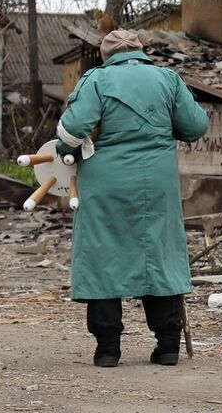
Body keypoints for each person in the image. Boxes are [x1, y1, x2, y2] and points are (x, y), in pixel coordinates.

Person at [56, 29, 210, 367]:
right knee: (159, 252)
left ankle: (108, 349)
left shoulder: (96, 80)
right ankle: (168, 344)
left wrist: (63, 150)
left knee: (102, 256)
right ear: (142, 51)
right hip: (158, 184)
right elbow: (196, 126)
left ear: (106, 55)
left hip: (104, 184)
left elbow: (72, 129)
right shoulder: (168, 79)